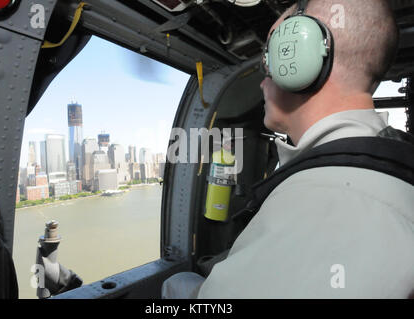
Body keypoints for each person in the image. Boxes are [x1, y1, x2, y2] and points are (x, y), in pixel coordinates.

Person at [162, 0, 414, 298]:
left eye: (269, 59)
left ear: (306, 56)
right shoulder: (385, 163)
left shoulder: (320, 202)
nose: (262, 83)